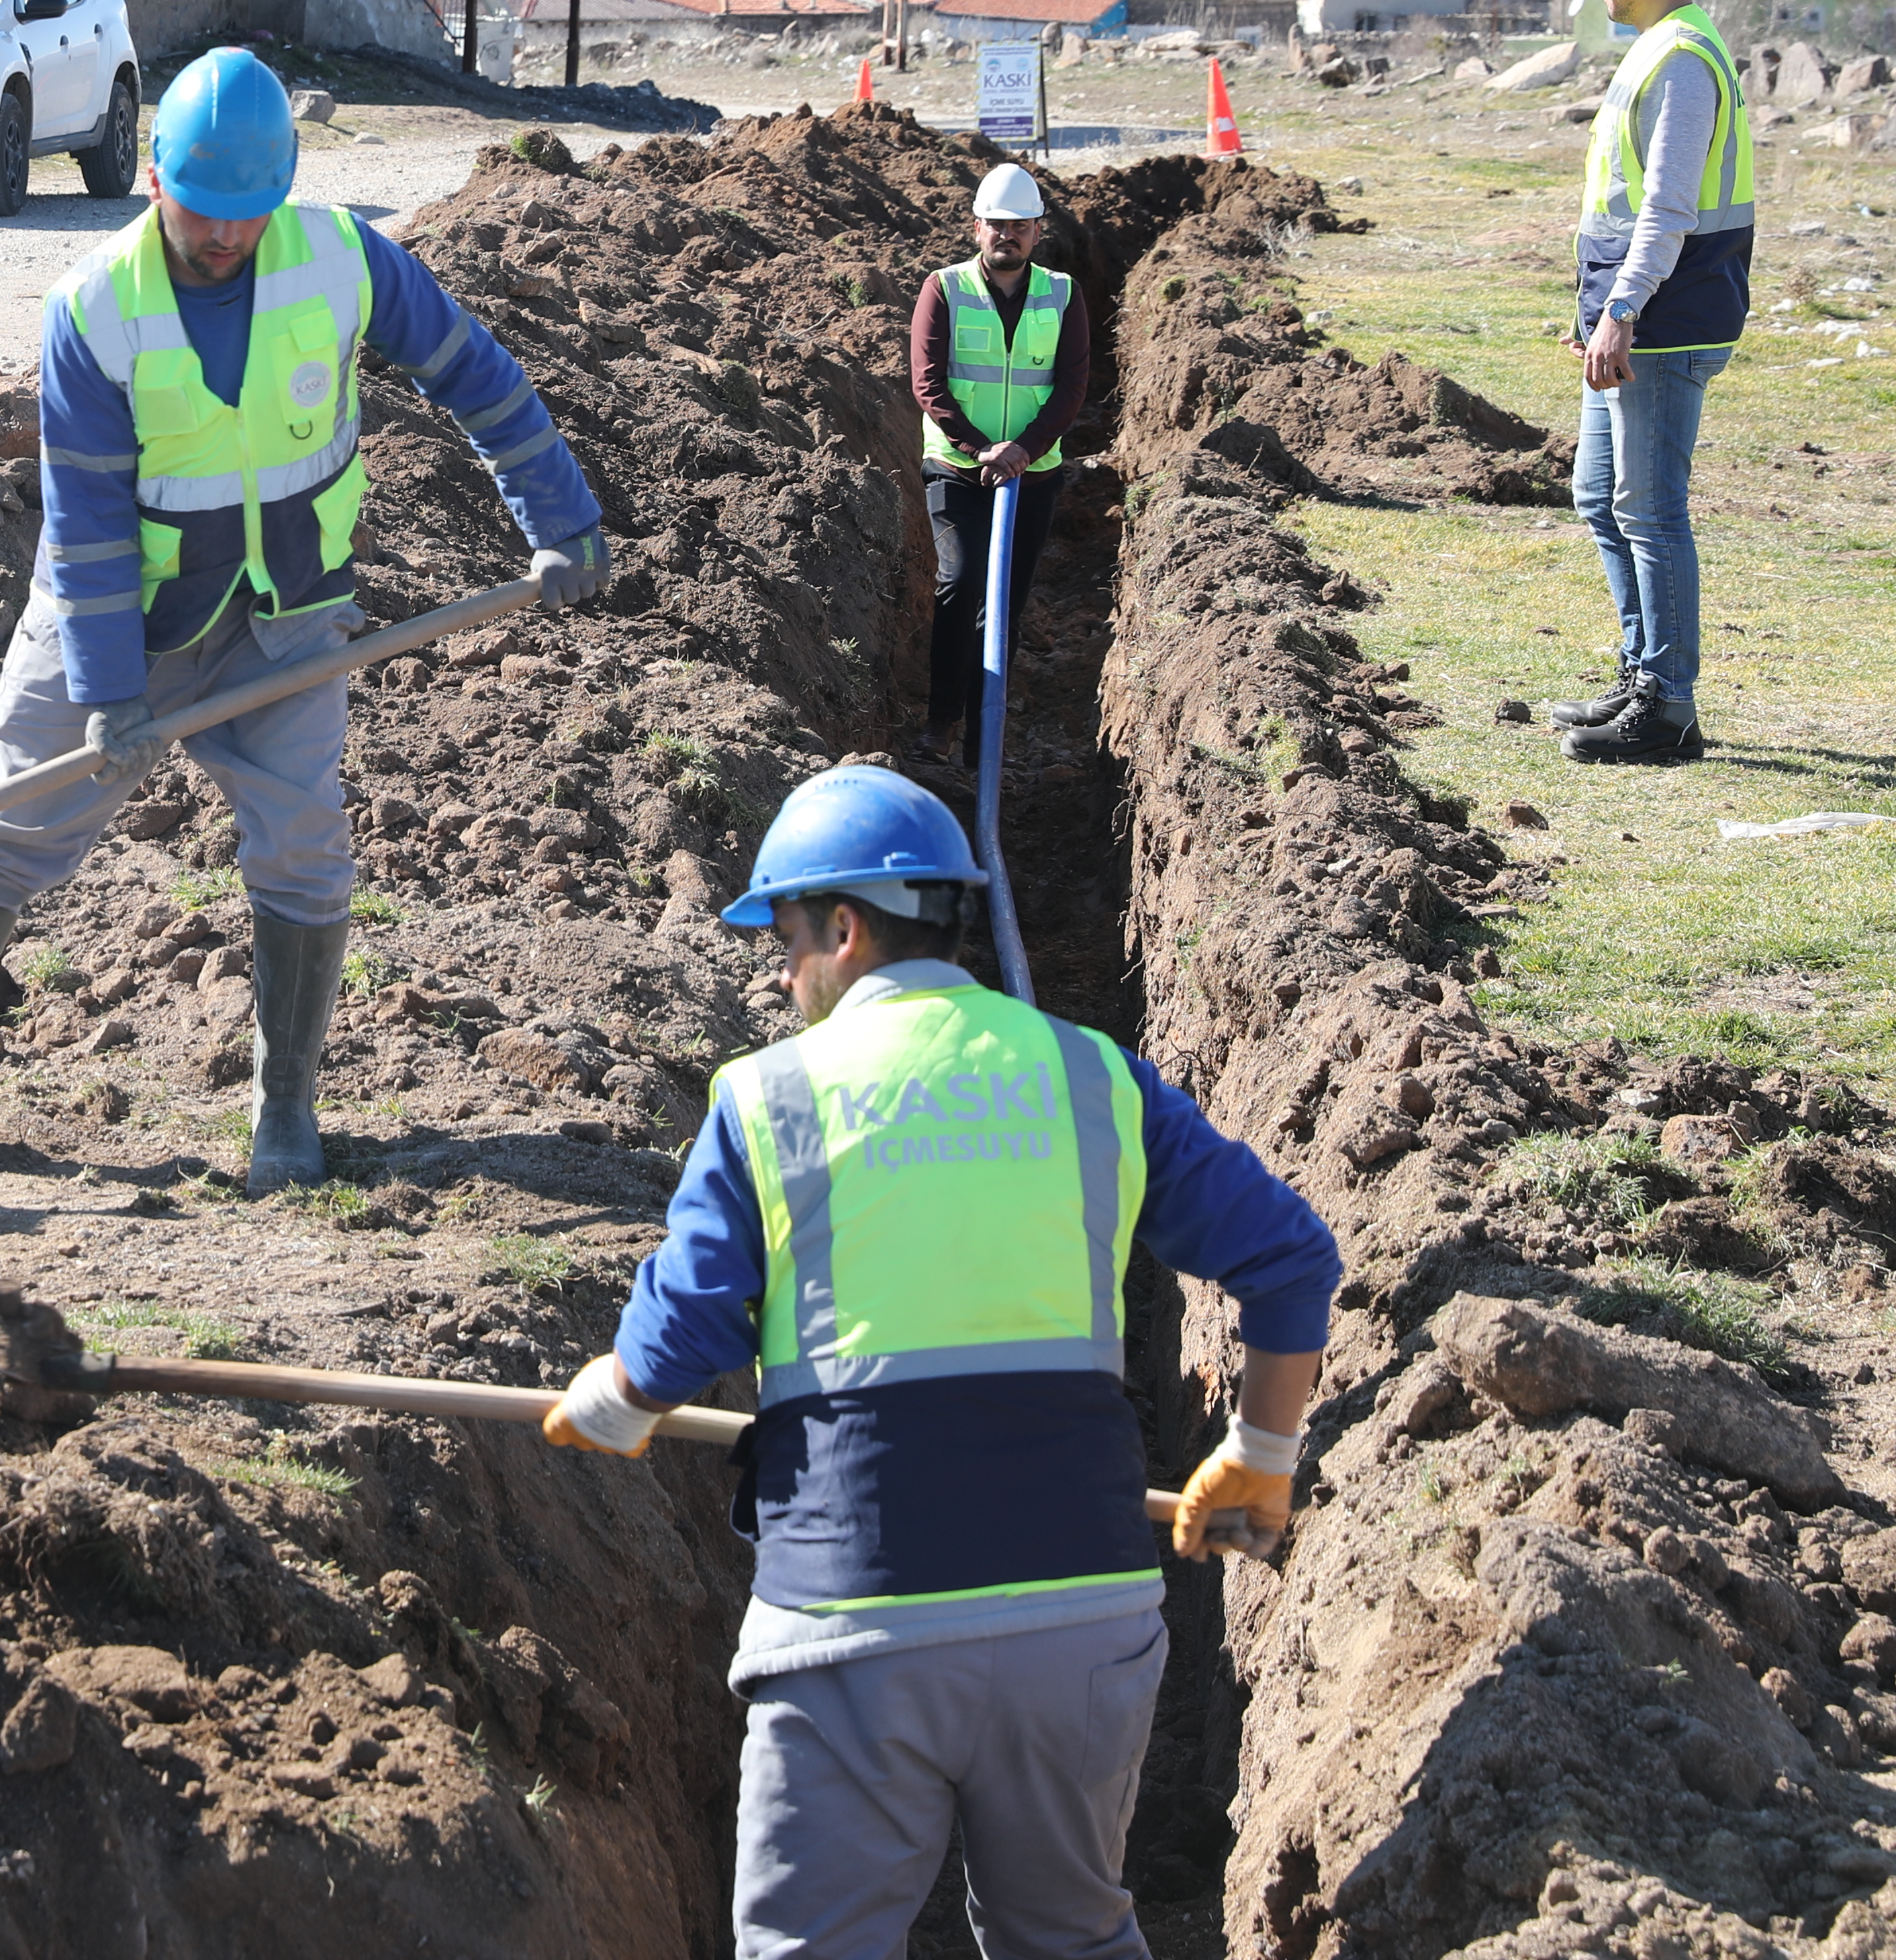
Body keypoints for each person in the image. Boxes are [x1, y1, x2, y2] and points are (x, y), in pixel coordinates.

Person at [543, 763, 1339, 1960]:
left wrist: (608, 1403)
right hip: (1085, 1614)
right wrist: (1262, 1458)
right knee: (1067, 1935)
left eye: (787, 939)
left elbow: (685, 1334)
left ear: (847, 928)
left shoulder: (771, 1099)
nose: (779, 970)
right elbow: (1290, 1262)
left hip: (856, 1623)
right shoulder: (1091, 1076)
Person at [0, 48, 607, 1191]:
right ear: (156, 178)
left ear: (284, 191)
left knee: (304, 848)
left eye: (247, 215)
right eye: (202, 211)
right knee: (10, 825)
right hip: (123, 617)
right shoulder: (96, 308)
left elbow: (473, 372)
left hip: (285, 613)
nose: (223, 237)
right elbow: (92, 519)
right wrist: (109, 692)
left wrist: (558, 512)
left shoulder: (343, 259)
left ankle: (286, 1106)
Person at [1542, 0, 1751, 767]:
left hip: (1667, 318)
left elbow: (1665, 209)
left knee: (1649, 508)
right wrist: (1598, 309)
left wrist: (1622, 309)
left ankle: (1667, 704)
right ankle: (1642, 674)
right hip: (1631, 313)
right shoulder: (1657, 50)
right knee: (1600, 495)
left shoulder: (1682, 58)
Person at [910, 161, 1092, 770]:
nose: (1006, 235)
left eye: (1019, 226)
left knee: (1005, 602)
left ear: (1039, 231)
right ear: (976, 228)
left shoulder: (1062, 293)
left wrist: (1023, 451)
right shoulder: (945, 288)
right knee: (961, 583)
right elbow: (928, 382)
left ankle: (985, 738)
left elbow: (1072, 385)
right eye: (996, 225)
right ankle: (941, 723)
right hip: (958, 469)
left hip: (1032, 475)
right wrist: (981, 447)